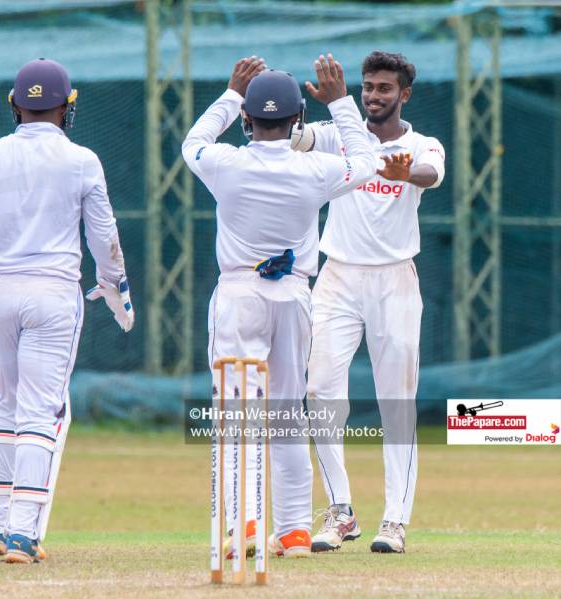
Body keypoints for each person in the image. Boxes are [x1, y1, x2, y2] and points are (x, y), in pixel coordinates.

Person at [182, 54, 378, 558]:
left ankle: (245, 526)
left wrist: (231, 92)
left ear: (247, 119)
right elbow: (367, 159)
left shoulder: (225, 163)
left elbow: (192, 142)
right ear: (297, 121)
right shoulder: (315, 168)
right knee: (288, 411)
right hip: (293, 296)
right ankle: (292, 531)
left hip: (238, 296)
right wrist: (340, 102)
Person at [0, 58, 133, 564]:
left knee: (4, 400)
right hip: (54, 292)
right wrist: (115, 286)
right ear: (67, 108)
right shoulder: (82, 160)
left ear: (15, 105)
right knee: (41, 410)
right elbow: (104, 235)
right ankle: (22, 535)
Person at [294, 51, 445, 555]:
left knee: (396, 401)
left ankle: (395, 520)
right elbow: (293, 138)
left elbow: (429, 173)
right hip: (337, 275)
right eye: (368, 86)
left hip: (394, 280)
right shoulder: (338, 132)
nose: (373, 96)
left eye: (384, 88)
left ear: (405, 94)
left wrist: (406, 174)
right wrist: (283, 113)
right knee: (319, 391)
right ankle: (340, 511)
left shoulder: (422, 144)